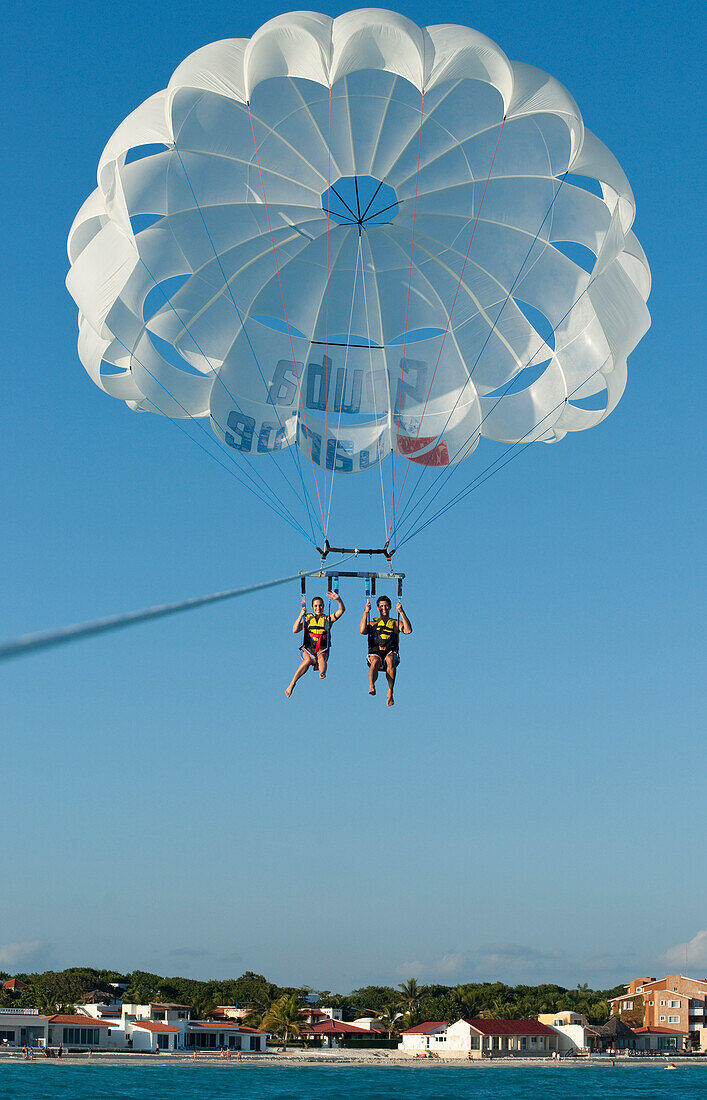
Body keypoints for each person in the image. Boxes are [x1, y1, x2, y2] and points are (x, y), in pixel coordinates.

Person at [286, 591, 345, 697]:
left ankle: (322, 672)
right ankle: (292, 683)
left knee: (321, 658)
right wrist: (301, 615)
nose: (318, 608)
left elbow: (342, 610)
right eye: (316, 606)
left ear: (324, 606)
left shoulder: (328, 619)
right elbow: (295, 630)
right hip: (308, 648)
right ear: (312, 607)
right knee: (308, 660)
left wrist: (338, 599)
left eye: (320, 605)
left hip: (321, 649)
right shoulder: (308, 619)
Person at [360, 594, 412, 705]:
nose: (384, 608)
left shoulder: (395, 623)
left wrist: (401, 612)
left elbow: (408, 630)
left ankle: (390, 691)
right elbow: (362, 630)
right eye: (382, 606)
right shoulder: (373, 623)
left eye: (386, 606)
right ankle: (371, 685)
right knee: (375, 661)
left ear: (390, 607)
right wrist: (365, 612)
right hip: (375, 651)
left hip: (390, 651)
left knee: (390, 659)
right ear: (378, 607)